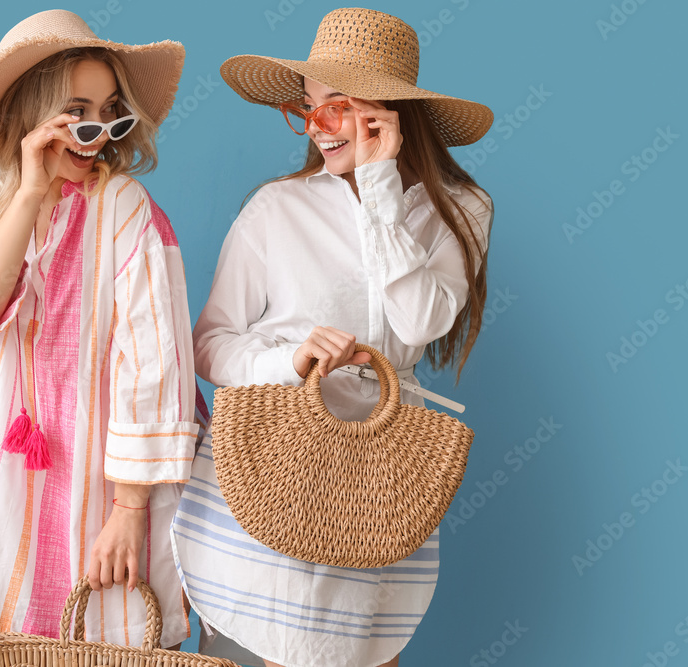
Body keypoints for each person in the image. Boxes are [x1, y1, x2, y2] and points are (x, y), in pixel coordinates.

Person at [170, 8, 495, 667]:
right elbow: (209, 344)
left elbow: (421, 321)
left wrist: (378, 184)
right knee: (248, 641)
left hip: (373, 473)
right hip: (269, 461)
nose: (317, 128)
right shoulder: (276, 207)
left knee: (359, 648)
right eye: (309, 110)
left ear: (393, 114)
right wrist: (287, 360)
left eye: (337, 109)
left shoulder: (460, 210)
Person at [0, 10, 201, 649]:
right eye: (78, 112)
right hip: (21, 478)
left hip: (113, 491)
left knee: (119, 643)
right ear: (33, 111)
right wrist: (28, 195)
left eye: (112, 114)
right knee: (19, 639)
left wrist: (129, 512)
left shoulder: (126, 210)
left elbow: (155, 364)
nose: (97, 133)